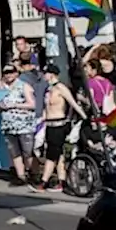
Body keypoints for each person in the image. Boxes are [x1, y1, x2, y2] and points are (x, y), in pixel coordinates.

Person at [36, 64, 88, 192]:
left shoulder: (61, 88)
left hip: (59, 125)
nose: (44, 75)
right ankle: (62, 181)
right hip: (49, 124)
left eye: (46, 73)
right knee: (58, 155)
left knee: (51, 155)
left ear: (52, 74)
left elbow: (73, 103)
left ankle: (43, 182)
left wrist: (84, 117)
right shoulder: (48, 90)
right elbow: (47, 109)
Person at [0, 65, 37, 186]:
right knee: (15, 152)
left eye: (11, 72)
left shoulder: (24, 86)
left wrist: (15, 105)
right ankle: (21, 176)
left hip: (24, 125)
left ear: (16, 73)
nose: (8, 74)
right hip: (8, 125)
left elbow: (32, 104)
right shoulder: (2, 88)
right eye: (5, 72)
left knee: (27, 151)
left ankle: (34, 173)